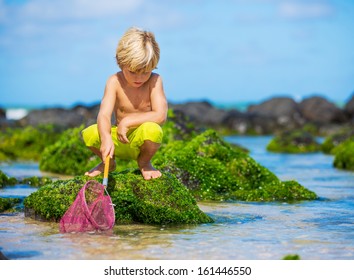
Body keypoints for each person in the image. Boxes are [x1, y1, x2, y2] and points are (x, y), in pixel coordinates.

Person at [81, 27, 167, 180]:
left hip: (140, 141)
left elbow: (160, 115)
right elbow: (104, 115)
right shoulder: (114, 81)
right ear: (120, 63)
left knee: (153, 130)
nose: (139, 78)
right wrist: (106, 138)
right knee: (90, 133)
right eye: (133, 72)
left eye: (145, 71)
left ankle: (144, 162)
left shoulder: (155, 81)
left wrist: (128, 121)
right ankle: (108, 162)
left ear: (153, 66)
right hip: (117, 142)